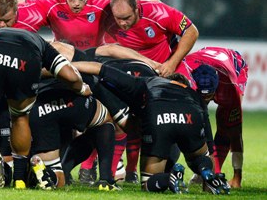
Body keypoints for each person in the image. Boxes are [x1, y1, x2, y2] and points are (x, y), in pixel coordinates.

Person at [0, 27, 91, 189]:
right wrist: (82, 88)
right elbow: (71, 76)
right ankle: (20, 179)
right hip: (25, 59)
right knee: (20, 118)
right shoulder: (42, 43)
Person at [72, 61, 231, 195]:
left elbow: (100, 69)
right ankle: (208, 175)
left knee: (148, 184)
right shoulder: (193, 94)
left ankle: (169, 177)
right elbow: (209, 140)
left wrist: (64, 66)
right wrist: (209, 164)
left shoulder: (145, 81)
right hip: (190, 116)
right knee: (199, 156)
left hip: (159, 117)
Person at [25, 0, 160, 50]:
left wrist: (159, 5)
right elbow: (24, 3)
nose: (77, 3)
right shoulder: (50, 0)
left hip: (95, 57)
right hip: (64, 54)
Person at [28, 76, 120, 191]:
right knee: (104, 120)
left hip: (40, 108)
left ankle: (49, 174)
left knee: (56, 176)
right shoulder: (53, 58)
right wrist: (82, 88)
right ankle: (106, 180)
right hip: (70, 98)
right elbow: (68, 68)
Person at [175, 46, 248, 188]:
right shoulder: (184, 76)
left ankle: (221, 172)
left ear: (216, 90)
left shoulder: (230, 89)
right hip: (199, 61)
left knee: (227, 127)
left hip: (234, 65)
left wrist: (236, 176)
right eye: (202, 96)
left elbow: (235, 133)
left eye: (208, 97)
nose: (206, 100)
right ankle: (204, 168)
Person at [103, 0, 199, 77]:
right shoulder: (106, 19)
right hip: (135, 74)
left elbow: (191, 31)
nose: (122, 23)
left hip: (167, 69)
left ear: (136, 7)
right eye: (118, 18)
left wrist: (172, 63)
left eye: (127, 18)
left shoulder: (159, 13)